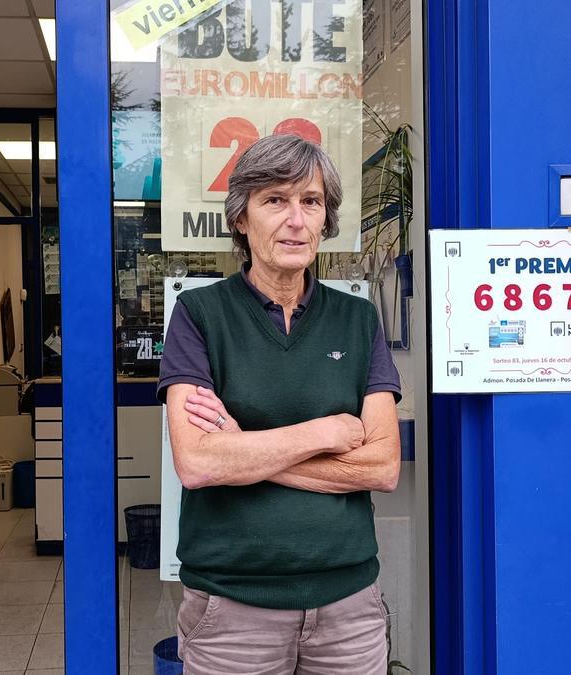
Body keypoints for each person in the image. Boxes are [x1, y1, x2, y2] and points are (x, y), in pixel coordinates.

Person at [158, 133, 403, 674]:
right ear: (241, 219)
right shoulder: (199, 315)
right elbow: (197, 462)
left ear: (325, 219)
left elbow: (383, 466)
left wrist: (243, 450)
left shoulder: (358, 320)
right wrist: (324, 432)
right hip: (232, 611)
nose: (296, 219)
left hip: (349, 608)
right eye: (275, 200)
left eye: (310, 202)